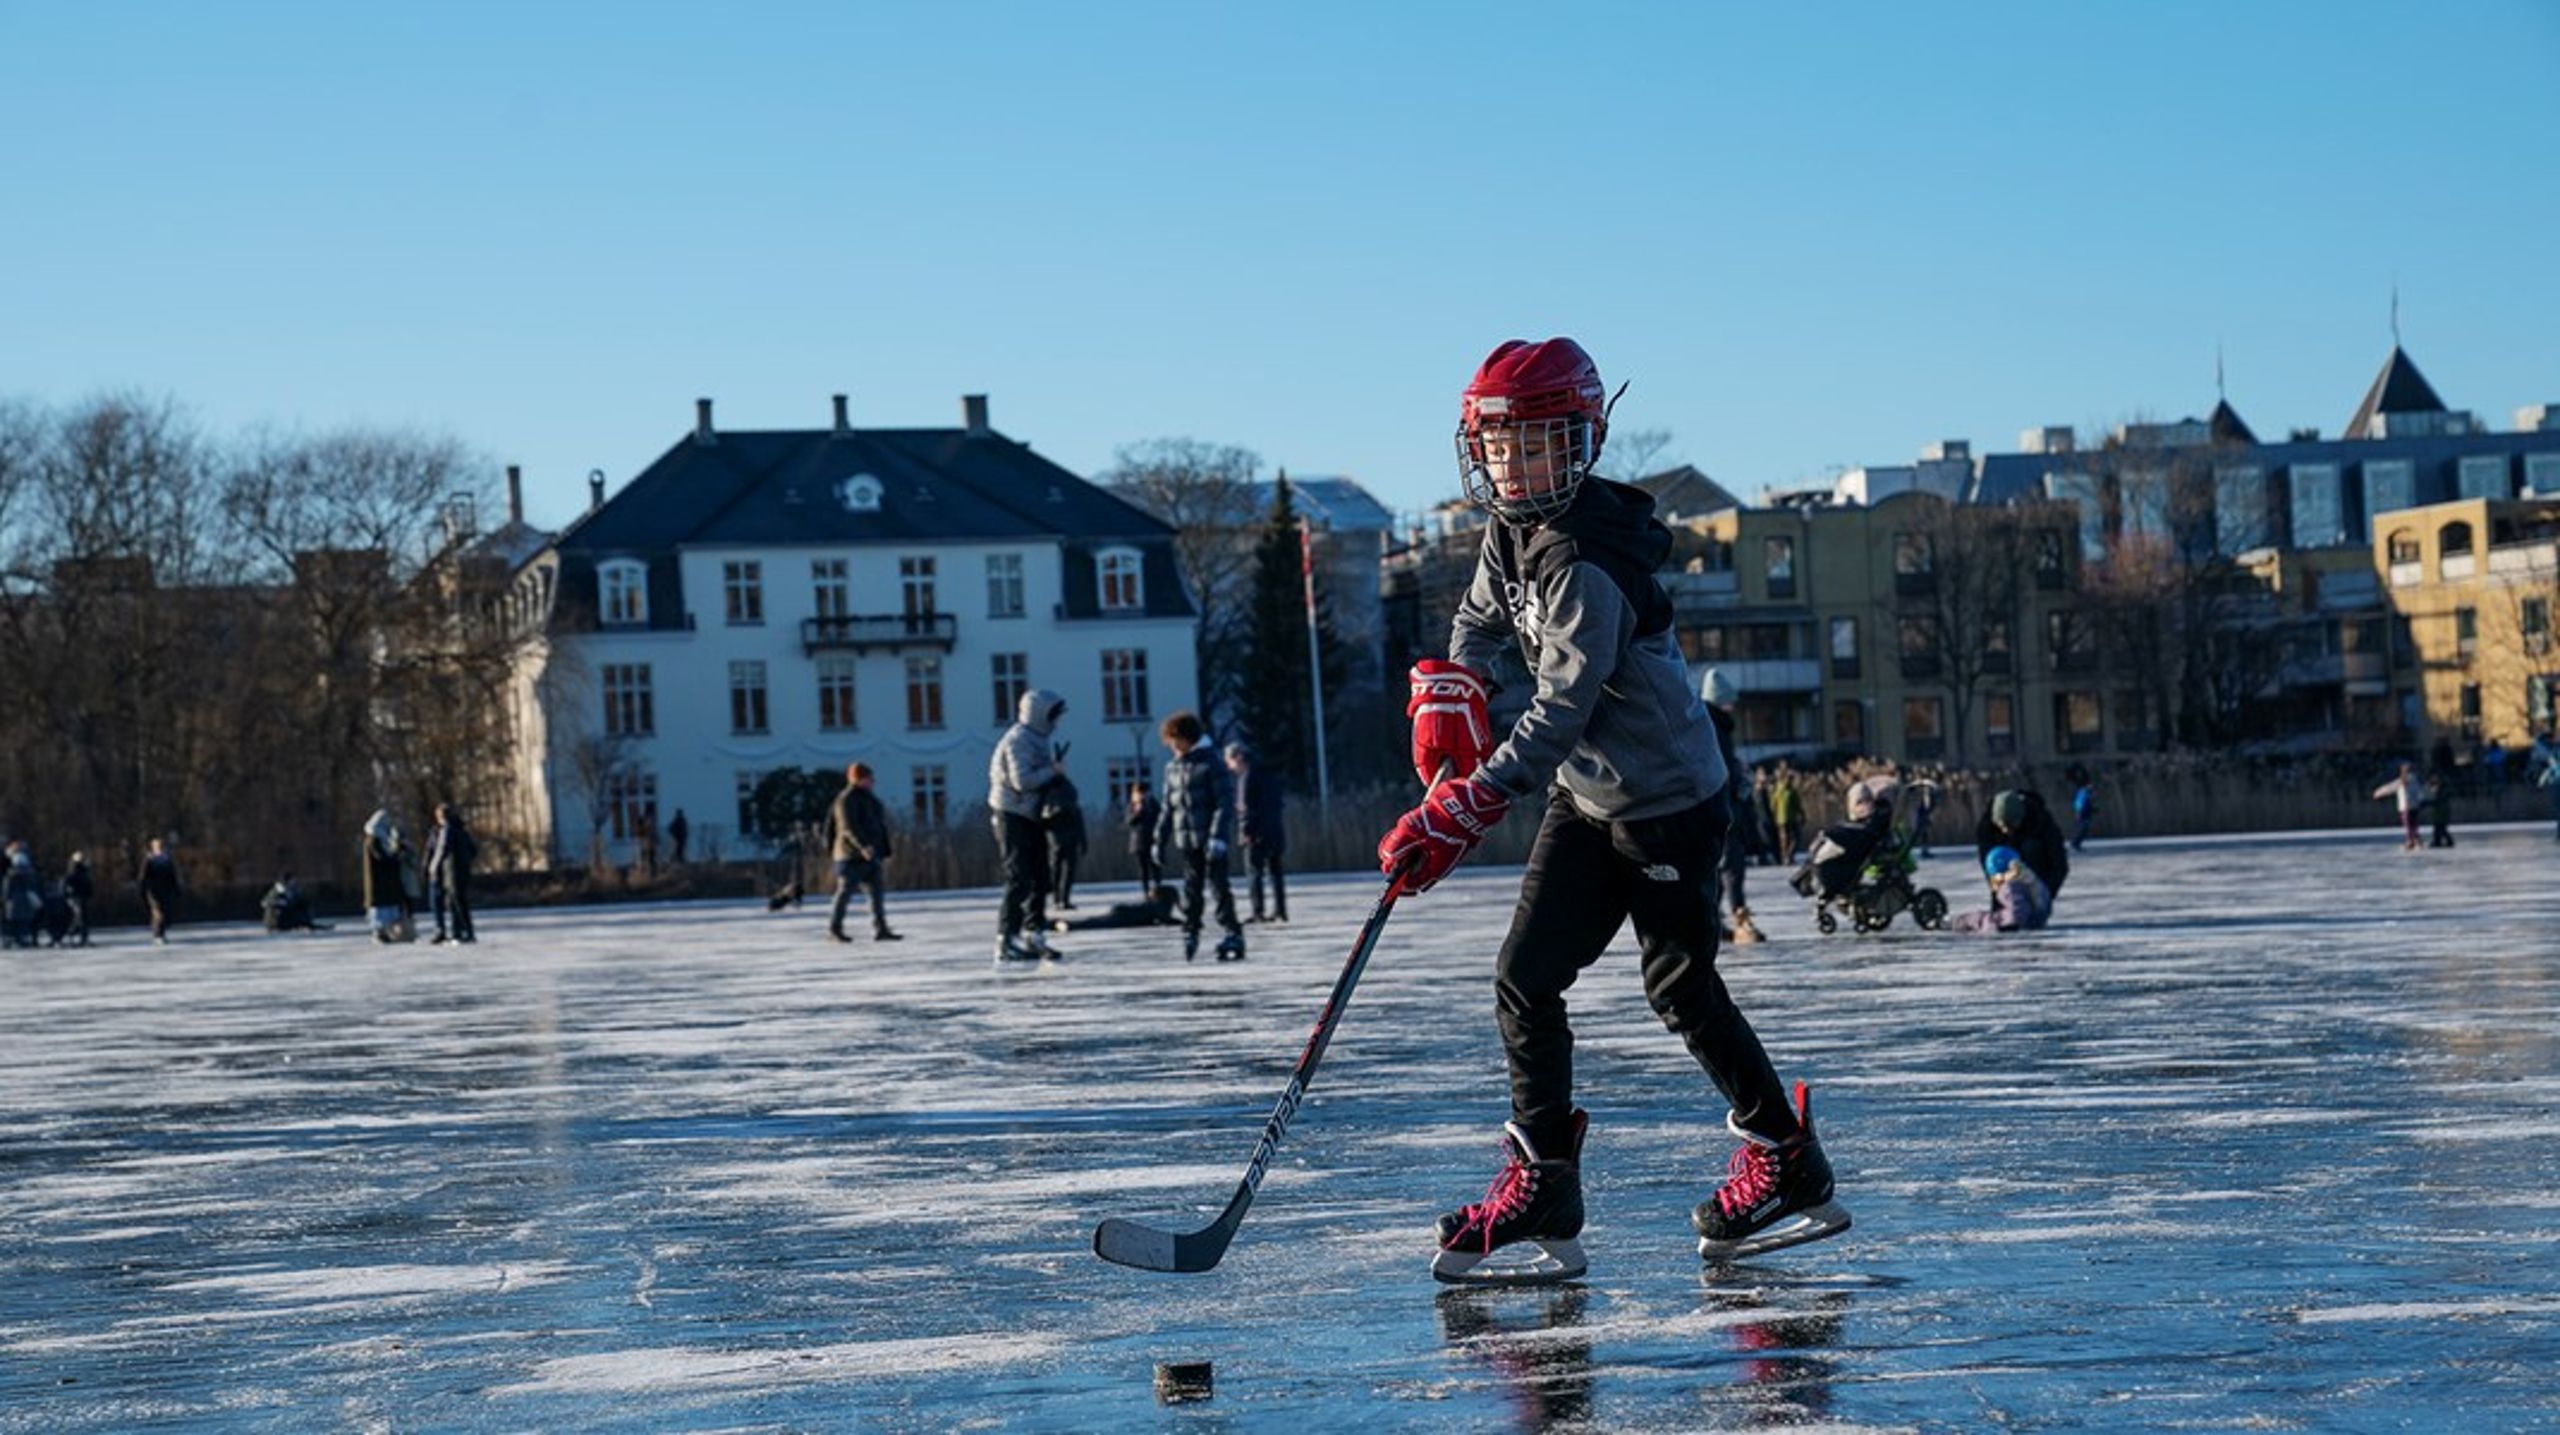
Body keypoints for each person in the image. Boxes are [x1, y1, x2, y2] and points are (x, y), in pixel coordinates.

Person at [1381, 337, 1845, 1284]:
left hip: (1670, 805)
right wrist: (1454, 691)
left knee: (1678, 988)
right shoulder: (1509, 531)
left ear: (1580, 442)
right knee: (1524, 975)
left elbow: (1560, 710)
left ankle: (1788, 1159)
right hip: (1587, 801)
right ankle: (1545, 1180)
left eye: (1534, 444)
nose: (1512, 465)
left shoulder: (1587, 562)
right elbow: (1477, 617)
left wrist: (1467, 802)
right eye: (1497, 447)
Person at [988, 688, 1067, 963]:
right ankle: (1006, 938)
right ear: (1039, 714)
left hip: (1030, 814)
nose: (1056, 721)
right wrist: (1052, 771)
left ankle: (1034, 933)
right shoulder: (1018, 739)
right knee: (1018, 876)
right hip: (1012, 813)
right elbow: (1021, 781)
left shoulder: (1039, 738)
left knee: (1040, 877)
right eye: (1052, 715)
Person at [1160, 710, 1244, 962]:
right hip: (1187, 841)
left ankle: (1232, 931)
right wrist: (1158, 840)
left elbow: (1224, 802)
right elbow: (1167, 807)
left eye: (1177, 740)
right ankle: (1191, 930)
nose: (1173, 745)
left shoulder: (1211, 763)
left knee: (1219, 887)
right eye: (1170, 741)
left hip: (1210, 840)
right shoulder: (1173, 768)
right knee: (1191, 890)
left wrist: (1218, 837)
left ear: (1189, 738)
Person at [1699, 670, 1762, 945]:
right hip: (1726, 810)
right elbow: (1720, 770)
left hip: (1721, 809)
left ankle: (1712, 917)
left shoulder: (1708, 723)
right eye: (1728, 701)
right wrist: (1738, 783)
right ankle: (1734, 918)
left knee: (1723, 868)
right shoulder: (1716, 725)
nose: (1732, 706)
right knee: (1731, 868)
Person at [827, 762, 902, 942]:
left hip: (871, 854)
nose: (872, 781)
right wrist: (863, 846)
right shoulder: (846, 799)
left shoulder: (868, 798)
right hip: (850, 855)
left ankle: (881, 929)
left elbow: (878, 825)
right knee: (844, 892)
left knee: (876, 893)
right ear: (858, 779)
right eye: (868, 778)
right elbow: (848, 827)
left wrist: (884, 850)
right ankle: (834, 929)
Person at [1227, 742, 1289, 923]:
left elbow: (1245, 808)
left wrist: (1245, 831)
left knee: (1254, 873)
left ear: (1238, 757)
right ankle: (1280, 910)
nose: (1229, 767)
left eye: (1230, 761)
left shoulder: (1246, 777)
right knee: (1276, 872)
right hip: (1275, 830)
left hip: (1255, 834)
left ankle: (1258, 911)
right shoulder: (1269, 774)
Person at [1976, 788, 2070, 900]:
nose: (2006, 831)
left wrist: (2045, 893)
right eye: (2002, 826)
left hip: (2037, 884)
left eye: (2011, 826)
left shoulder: (2041, 821)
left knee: (2031, 846)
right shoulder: (1987, 828)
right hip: (2004, 889)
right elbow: (1988, 863)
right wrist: (1999, 890)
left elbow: (2059, 863)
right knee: (1997, 855)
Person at [1951, 845, 2052, 934]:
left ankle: (1954, 922)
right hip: (2029, 923)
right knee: (1977, 917)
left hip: (2017, 926)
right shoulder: (2030, 881)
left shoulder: (2010, 886)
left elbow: (2016, 916)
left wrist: (1995, 922)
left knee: (1977, 918)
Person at [425, 803, 479, 944]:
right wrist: (466, 861)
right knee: (460, 902)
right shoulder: (462, 830)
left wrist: (433, 867)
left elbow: (443, 848)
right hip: (463, 871)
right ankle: (462, 931)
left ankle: (463, 932)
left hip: (452, 871)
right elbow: (474, 850)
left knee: (456, 902)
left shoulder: (447, 829)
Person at [1053, 883, 1181, 933]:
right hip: (1126, 917)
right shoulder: (1159, 906)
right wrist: (1184, 923)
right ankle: (1071, 926)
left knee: (1096, 920)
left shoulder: (1153, 905)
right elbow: (1165, 919)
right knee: (1099, 924)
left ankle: (1062, 923)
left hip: (1124, 912)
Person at [1043, 772, 1088, 912]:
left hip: (1055, 840)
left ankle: (1058, 898)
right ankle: (1063, 899)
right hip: (1067, 839)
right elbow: (1079, 824)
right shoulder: (1070, 800)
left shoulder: (1049, 799)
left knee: (1056, 870)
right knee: (1066, 871)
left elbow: (1045, 823)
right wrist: (1083, 842)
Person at [136, 837, 182, 946]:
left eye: (161, 846)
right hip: (152, 890)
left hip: (165, 890)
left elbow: (172, 876)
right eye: (157, 846)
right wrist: (143, 889)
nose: (160, 848)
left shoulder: (167, 860)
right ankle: (157, 935)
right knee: (158, 912)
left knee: (165, 912)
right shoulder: (149, 860)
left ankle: (162, 933)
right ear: (153, 848)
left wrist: (176, 889)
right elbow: (143, 877)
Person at [2371, 762, 2423, 853]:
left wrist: (2378, 792)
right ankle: (2416, 840)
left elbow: (2390, 788)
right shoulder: (2414, 781)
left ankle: (2411, 841)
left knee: (2409, 825)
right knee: (2413, 825)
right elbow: (2420, 793)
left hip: (2406, 807)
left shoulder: (2402, 781)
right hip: (2414, 806)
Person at [1124, 779, 1164, 896]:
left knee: (1155, 866)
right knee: (1143, 868)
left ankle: (1157, 888)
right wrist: (1137, 812)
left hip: (1152, 839)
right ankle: (1145, 890)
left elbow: (1159, 818)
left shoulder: (1152, 803)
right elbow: (1129, 821)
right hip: (1138, 841)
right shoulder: (1132, 805)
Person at [3, 842, 41, 949]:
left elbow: (7, 889)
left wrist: (5, 900)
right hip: (25, 901)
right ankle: (24, 939)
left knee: (13, 923)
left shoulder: (10, 875)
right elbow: (33, 886)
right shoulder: (30, 874)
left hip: (13, 902)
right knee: (24, 922)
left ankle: (13, 939)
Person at [260, 871, 325, 933]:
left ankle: (304, 923)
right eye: (293, 879)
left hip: (289, 917)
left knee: (303, 904)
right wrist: (279, 902)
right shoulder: (278, 890)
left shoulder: (293, 889)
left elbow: (297, 901)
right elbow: (265, 902)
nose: (295, 881)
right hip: (277, 919)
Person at [1769, 769, 1803, 865]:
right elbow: (1798, 805)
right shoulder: (1791, 791)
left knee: (1784, 839)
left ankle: (1786, 856)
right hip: (1790, 818)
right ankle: (1788, 855)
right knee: (1794, 838)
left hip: (1780, 819)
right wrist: (1802, 815)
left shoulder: (1777, 790)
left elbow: (1772, 805)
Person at [61, 852, 93, 947]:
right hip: (75, 897)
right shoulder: (74, 870)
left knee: (83, 918)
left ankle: (83, 938)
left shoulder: (83, 870)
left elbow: (87, 883)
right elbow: (66, 884)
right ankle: (70, 935)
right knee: (79, 918)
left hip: (81, 896)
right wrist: (68, 894)